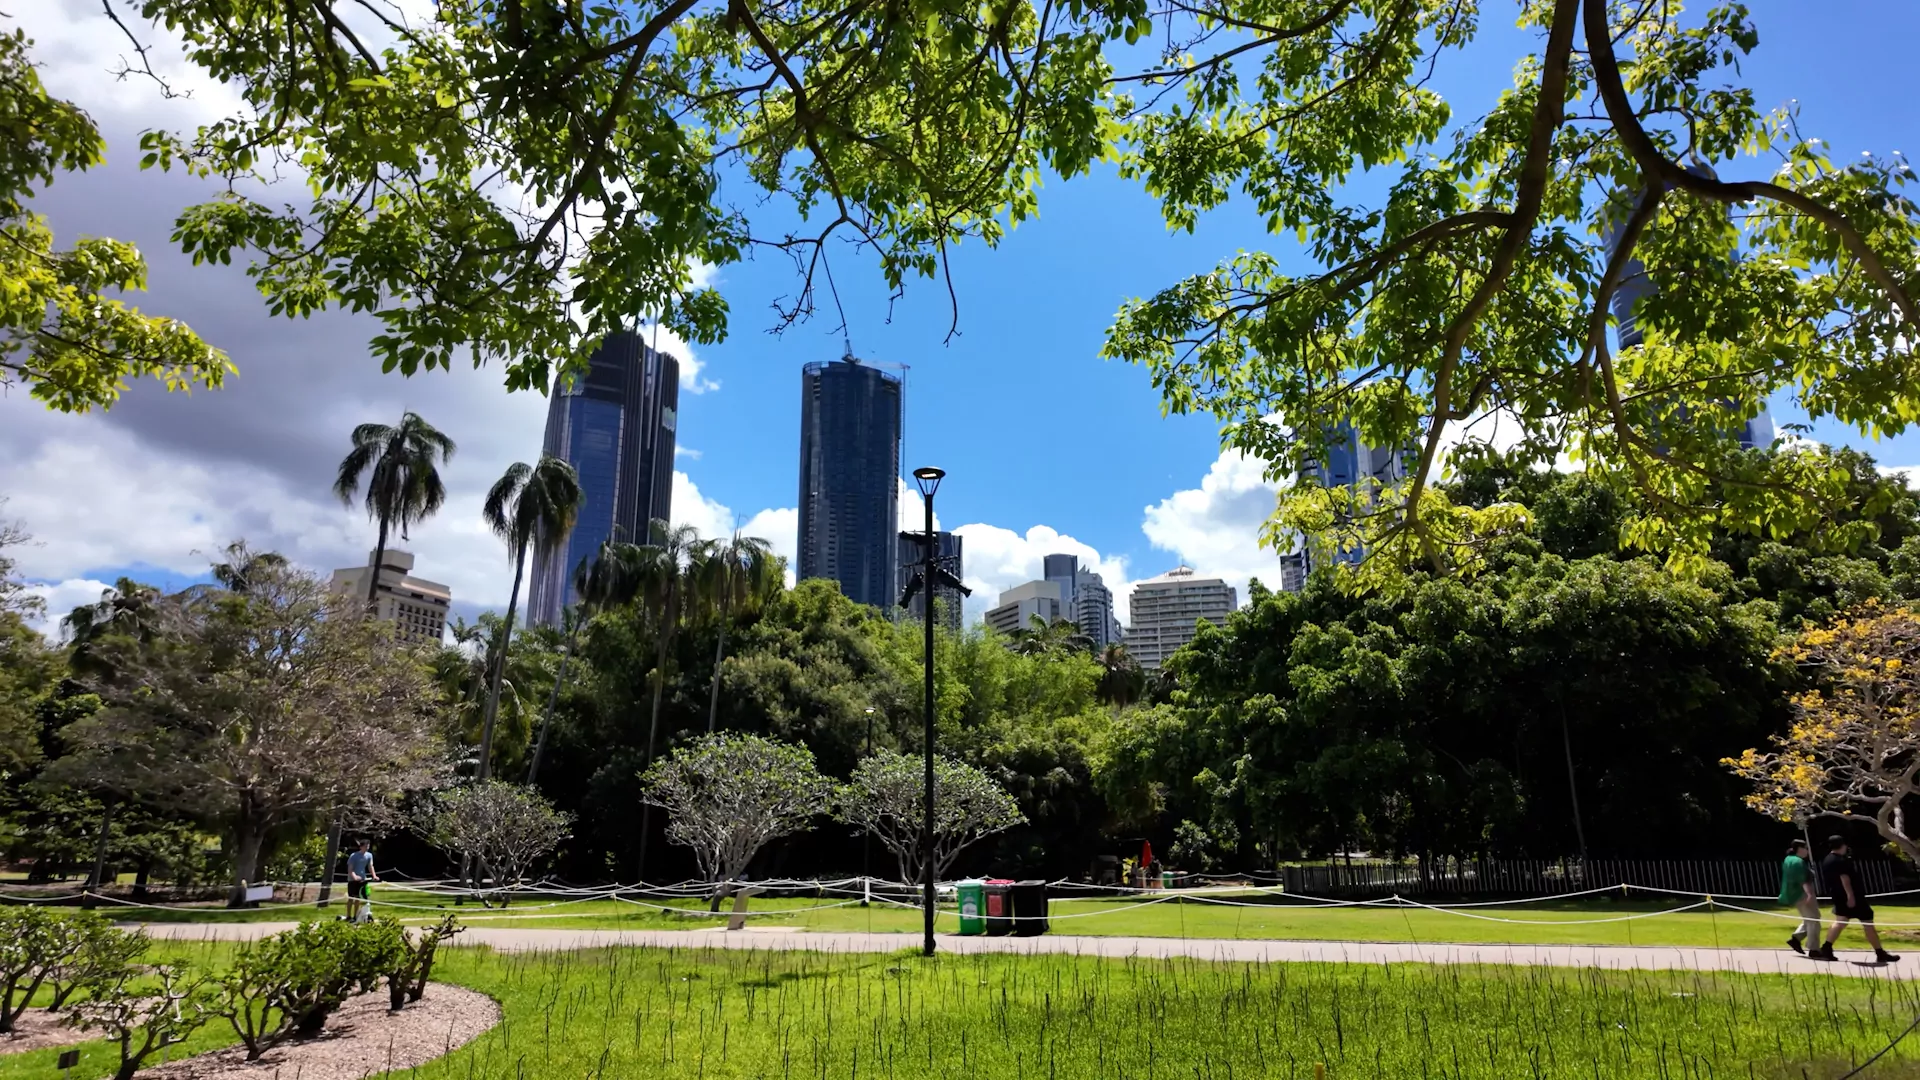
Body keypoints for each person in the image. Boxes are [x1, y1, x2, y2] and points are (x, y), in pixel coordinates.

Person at [1813, 835, 1899, 964]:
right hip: (1852, 896)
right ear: (1843, 845)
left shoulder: (1828, 860)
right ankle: (1880, 953)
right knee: (1867, 922)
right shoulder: (1841, 861)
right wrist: (1851, 896)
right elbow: (1845, 879)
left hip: (1838, 896)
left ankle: (1826, 948)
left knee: (1841, 921)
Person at [1777, 839, 1819, 955]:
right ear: (1800, 849)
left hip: (1793, 894)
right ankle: (1814, 948)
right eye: (1806, 848)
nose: (1807, 851)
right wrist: (1809, 894)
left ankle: (1796, 939)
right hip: (1802, 894)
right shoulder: (1798, 862)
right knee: (1814, 920)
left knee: (1809, 918)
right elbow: (1803, 879)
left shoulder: (1788, 859)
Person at [345, 838, 378, 923]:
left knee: (358, 898)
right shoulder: (354, 856)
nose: (367, 847)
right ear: (361, 847)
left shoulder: (369, 855)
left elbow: (370, 866)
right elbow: (350, 869)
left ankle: (355, 916)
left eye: (368, 846)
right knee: (351, 898)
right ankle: (348, 916)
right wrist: (354, 877)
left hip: (362, 879)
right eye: (366, 846)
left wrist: (374, 876)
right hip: (352, 880)